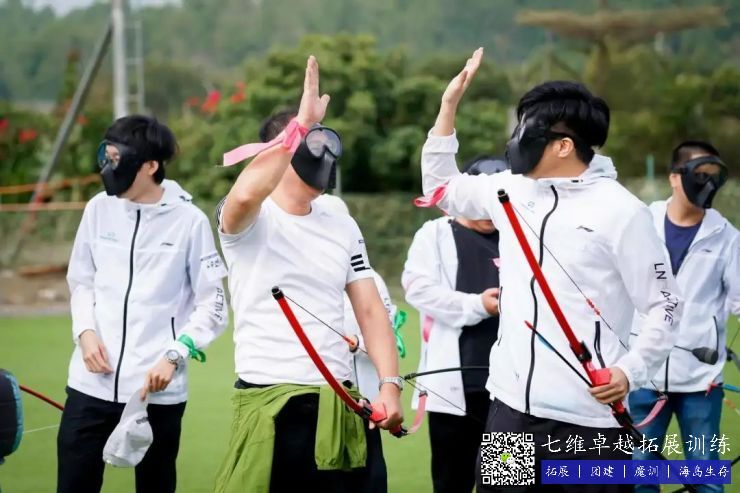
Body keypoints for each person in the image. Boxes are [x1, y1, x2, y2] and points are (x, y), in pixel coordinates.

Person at [418, 48, 682, 492]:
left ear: (564, 145)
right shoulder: (510, 189)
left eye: (529, 130)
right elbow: (441, 188)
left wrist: (629, 372)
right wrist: (448, 107)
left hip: (590, 423)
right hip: (509, 413)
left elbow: (665, 306)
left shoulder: (623, 212)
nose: (517, 139)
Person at [213, 56, 402, 493]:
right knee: (485, 476)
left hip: (345, 398)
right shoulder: (251, 216)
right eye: (309, 142)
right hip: (276, 402)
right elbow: (242, 197)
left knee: (552, 475)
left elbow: (370, 308)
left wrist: (390, 385)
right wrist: (298, 126)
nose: (322, 154)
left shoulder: (338, 217)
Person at [58, 115, 229, 493]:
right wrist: (85, 332)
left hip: (157, 393)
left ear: (150, 165)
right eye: (107, 157)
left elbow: (213, 305)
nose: (109, 168)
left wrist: (175, 355)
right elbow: (82, 281)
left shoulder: (190, 222)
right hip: (90, 385)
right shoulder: (97, 209)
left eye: (118, 159)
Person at [629, 140, 738, 493]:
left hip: (700, 381)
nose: (707, 183)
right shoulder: (640, 223)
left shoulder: (727, 238)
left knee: (705, 478)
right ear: (674, 177)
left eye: (713, 175)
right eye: (699, 174)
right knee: (640, 476)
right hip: (642, 375)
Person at [402, 156, 507, 493]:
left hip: (511, 394)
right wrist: (479, 305)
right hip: (454, 387)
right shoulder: (435, 234)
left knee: (507, 483)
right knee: (452, 483)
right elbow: (417, 289)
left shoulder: (518, 237)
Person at [315, 193, 399, 403]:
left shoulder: (371, 279)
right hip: (317, 389)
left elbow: (388, 330)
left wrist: (357, 342)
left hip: (364, 393)